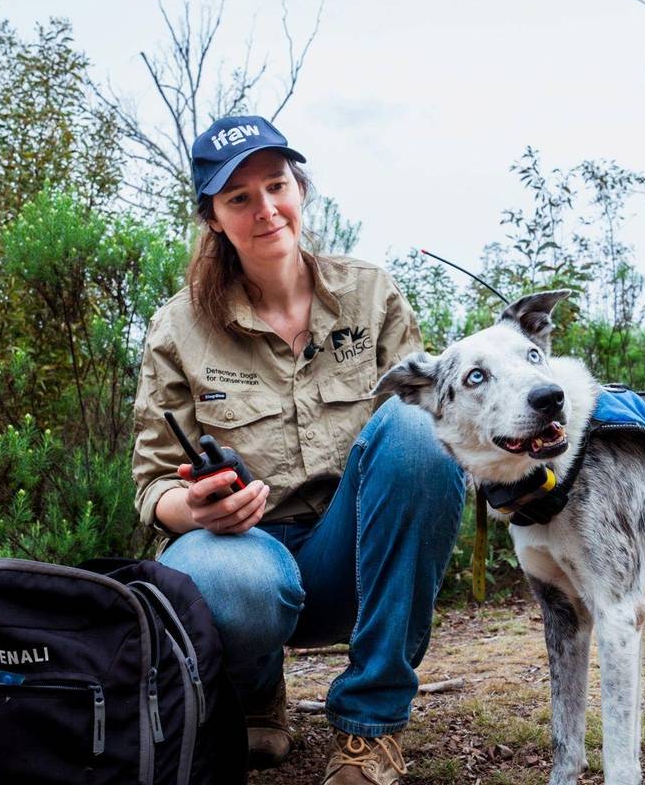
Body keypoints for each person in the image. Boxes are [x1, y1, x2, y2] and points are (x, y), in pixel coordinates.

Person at [131, 115, 467, 785]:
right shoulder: (177, 328)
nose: (265, 209)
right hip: (245, 557)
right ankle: (255, 691)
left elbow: (432, 440)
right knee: (228, 578)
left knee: (419, 428)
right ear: (213, 218)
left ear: (300, 189)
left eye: (276, 185)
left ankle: (371, 726)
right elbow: (152, 485)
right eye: (239, 198)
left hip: (357, 555)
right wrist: (195, 510)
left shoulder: (371, 295)